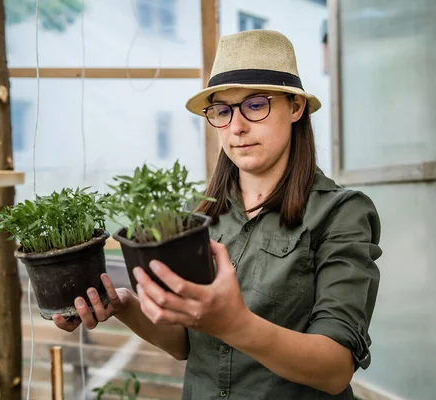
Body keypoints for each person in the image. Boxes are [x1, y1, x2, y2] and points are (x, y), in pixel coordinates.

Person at [52, 29, 381, 400]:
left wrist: (234, 324)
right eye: (222, 110)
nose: (236, 127)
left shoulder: (341, 213)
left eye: (256, 104)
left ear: (296, 107)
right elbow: (185, 344)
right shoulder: (202, 216)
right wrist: (125, 305)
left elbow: (335, 370)